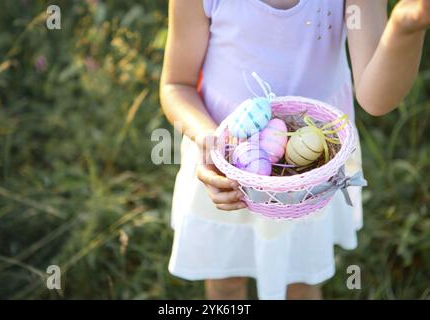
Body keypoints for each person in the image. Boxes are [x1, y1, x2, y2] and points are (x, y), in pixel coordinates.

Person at [159, 0, 429, 300]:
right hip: (227, 159)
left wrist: (406, 25)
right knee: (226, 280)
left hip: (313, 170)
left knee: (300, 280)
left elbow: (376, 99)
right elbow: (176, 84)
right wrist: (210, 140)